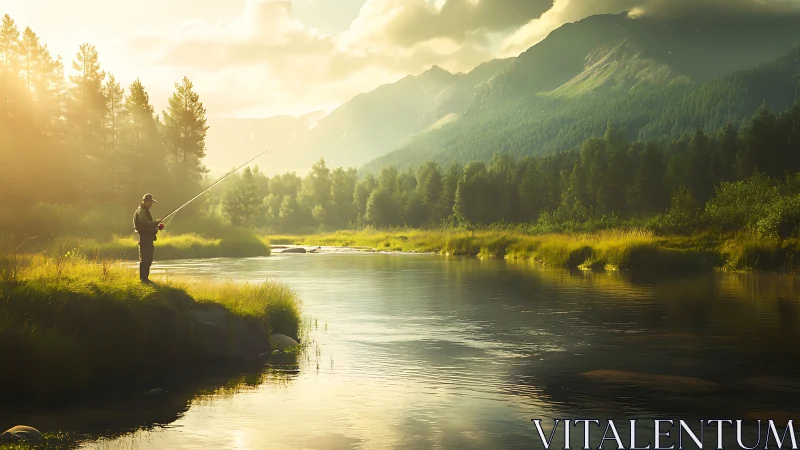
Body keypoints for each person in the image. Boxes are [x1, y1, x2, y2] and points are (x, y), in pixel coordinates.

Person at [133, 193, 163, 284]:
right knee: (145, 259)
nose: (151, 204)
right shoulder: (141, 211)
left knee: (148, 259)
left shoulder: (143, 210)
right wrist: (155, 223)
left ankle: (145, 279)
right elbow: (144, 223)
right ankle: (143, 279)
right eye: (151, 202)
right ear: (146, 202)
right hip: (145, 239)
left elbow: (146, 226)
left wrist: (157, 227)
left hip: (147, 238)